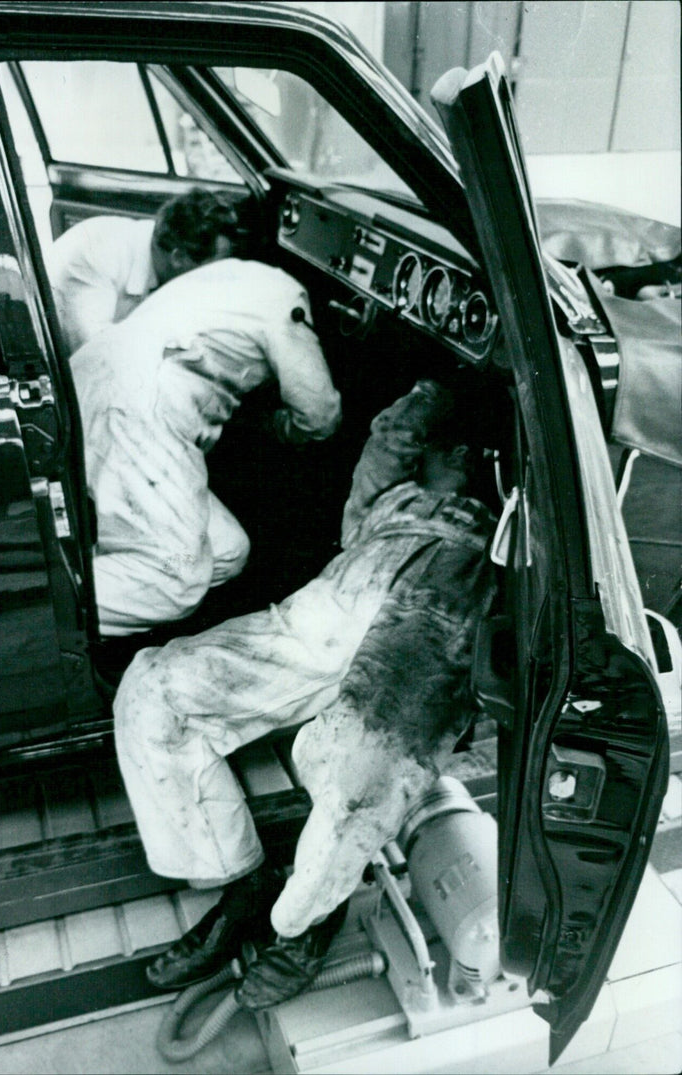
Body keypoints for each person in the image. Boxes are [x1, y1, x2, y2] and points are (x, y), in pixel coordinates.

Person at [113, 379, 498, 1008]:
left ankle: (303, 924)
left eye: (470, 452)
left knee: (358, 787)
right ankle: (241, 881)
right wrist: (442, 387)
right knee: (154, 688)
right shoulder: (387, 498)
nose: (458, 457)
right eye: (449, 448)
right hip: (311, 626)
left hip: (419, 649)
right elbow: (392, 431)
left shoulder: (508, 532)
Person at [72, 254, 342, 634]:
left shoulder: (232, 274)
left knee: (226, 550)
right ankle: (41, 612)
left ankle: (111, 591)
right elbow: (319, 415)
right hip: (143, 411)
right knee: (175, 582)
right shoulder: (286, 298)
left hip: (94, 383)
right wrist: (281, 427)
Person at [47, 188, 238, 353]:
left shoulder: (162, 255)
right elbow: (94, 355)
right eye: (211, 269)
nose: (215, 279)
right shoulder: (95, 255)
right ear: (178, 258)